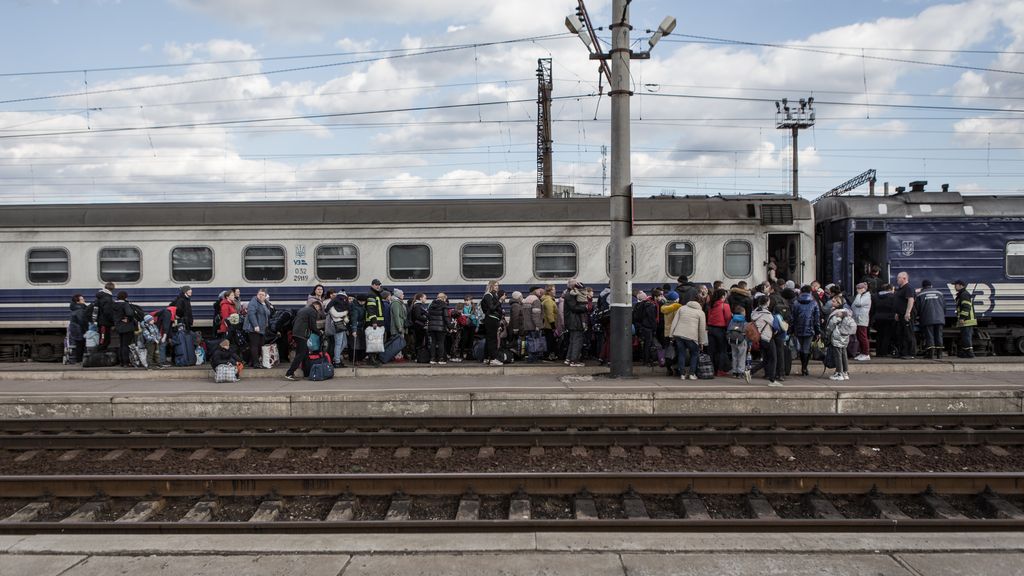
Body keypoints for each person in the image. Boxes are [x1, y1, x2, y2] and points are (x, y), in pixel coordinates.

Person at [669, 297, 707, 380]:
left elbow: (674, 322)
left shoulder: (682, 308)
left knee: (681, 354)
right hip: (691, 336)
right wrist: (701, 342)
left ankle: (682, 374)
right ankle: (692, 374)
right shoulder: (701, 312)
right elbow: (701, 329)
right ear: (701, 304)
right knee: (694, 354)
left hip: (679, 334)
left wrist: (671, 335)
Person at [284, 299, 321, 381]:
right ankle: (289, 373)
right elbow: (312, 325)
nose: (319, 310)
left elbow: (293, 321)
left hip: (296, 333)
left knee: (305, 354)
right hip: (302, 334)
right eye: (319, 308)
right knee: (300, 354)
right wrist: (319, 333)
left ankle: (307, 373)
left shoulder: (303, 310)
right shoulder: (312, 311)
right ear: (316, 306)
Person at [790, 285, 821, 376]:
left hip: (798, 328)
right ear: (810, 292)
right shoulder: (814, 303)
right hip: (810, 328)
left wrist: (792, 330)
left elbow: (793, 318)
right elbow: (817, 319)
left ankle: (803, 366)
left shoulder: (796, 302)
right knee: (806, 348)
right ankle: (804, 367)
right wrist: (818, 331)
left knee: (800, 347)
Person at [825, 296, 857, 381]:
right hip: (844, 336)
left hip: (836, 336)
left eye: (834, 301)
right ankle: (845, 372)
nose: (832, 303)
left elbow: (831, 325)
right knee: (843, 354)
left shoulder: (837, 313)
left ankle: (839, 373)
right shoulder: (846, 312)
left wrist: (827, 334)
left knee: (837, 355)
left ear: (838, 303)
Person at [751, 296, 779, 386]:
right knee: (773, 359)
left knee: (766, 360)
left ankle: (750, 372)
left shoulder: (755, 312)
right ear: (767, 303)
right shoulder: (767, 314)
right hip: (767, 338)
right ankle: (772, 380)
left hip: (759, 338)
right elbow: (775, 326)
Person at [916, 279, 946, 359]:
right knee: (939, 335)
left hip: (927, 318)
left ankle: (930, 354)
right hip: (939, 318)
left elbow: (917, 308)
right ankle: (939, 354)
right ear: (931, 285)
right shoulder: (940, 293)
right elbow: (944, 307)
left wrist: (918, 317)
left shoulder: (920, 295)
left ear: (923, 286)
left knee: (929, 336)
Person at [705, 289, 732, 377]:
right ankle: (721, 370)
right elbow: (728, 318)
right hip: (721, 329)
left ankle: (711, 369)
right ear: (723, 296)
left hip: (710, 329)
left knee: (711, 350)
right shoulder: (725, 305)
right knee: (722, 350)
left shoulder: (711, 305)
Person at [563, 280, 588, 367]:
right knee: (577, 341)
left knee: (573, 341)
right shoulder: (571, 295)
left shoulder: (568, 294)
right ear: (573, 286)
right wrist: (585, 308)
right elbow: (574, 307)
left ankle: (569, 359)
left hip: (572, 321)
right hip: (575, 321)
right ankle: (574, 361)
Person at [243, 288, 270, 368]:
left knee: (260, 344)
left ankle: (251, 362)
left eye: (263, 295)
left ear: (265, 296)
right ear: (257, 294)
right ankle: (256, 363)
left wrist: (265, 304)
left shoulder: (264, 303)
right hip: (253, 328)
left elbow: (268, 313)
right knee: (254, 345)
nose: (261, 296)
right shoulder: (253, 302)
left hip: (262, 328)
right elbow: (251, 314)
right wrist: (255, 325)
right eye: (259, 294)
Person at [111, 291, 138, 368]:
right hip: (126, 327)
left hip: (118, 327)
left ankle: (122, 362)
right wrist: (128, 319)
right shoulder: (125, 304)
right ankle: (126, 362)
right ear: (125, 297)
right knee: (126, 345)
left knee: (121, 344)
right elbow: (130, 313)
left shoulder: (114, 304)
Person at [894, 272, 917, 359]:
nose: (897, 279)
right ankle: (903, 352)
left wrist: (908, 312)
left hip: (906, 314)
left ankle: (911, 353)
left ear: (904, 278)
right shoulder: (900, 289)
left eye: (898, 278)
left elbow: (911, 300)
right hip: (901, 314)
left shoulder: (908, 288)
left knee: (908, 333)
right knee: (901, 333)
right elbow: (899, 301)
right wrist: (897, 313)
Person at [481, 281, 503, 366]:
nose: (497, 287)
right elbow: (492, 308)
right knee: (492, 339)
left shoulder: (491, 295)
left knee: (489, 339)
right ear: (491, 286)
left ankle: (487, 357)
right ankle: (493, 359)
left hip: (491, 319)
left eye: (498, 285)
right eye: (495, 285)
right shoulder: (488, 295)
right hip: (491, 319)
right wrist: (500, 301)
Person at [364, 279, 386, 366]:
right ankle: (371, 359)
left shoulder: (376, 294)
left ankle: (373, 359)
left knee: (376, 341)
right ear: (372, 285)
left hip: (378, 321)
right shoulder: (371, 295)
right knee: (373, 341)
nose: (378, 286)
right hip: (373, 322)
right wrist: (374, 321)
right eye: (376, 285)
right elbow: (371, 308)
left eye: (379, 285)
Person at [325, 291, 350, 368]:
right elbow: (335, 314)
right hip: (337, 326)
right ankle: (337, 361)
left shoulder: (338, 304)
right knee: (338, 344)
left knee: (344, 343)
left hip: (342, 325)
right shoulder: (330, 304)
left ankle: (336, 357)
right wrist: (345, 312)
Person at [726, 305, 750, 382]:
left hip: (732, 339)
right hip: (742, 340)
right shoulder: (744, 321)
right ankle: (740, 372)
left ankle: (734, 371)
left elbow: (728, 329)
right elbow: (747, 331)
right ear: (742, 313)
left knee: (734, 355)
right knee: (741, 356)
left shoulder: (732, 320)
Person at [660, 292, 682, 376]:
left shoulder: (664, 307)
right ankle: (677, 369)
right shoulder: (677, 307)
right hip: (675, 332)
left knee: (668, 351)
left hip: (666, 332)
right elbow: (677, 321)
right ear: (675, 299)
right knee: (677, 351)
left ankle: (668, 369)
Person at [953, 280, 977, 358]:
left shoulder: (964, 294)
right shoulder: (962, 294)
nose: (955, 287)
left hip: (967, 320)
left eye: (956, 285)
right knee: (964, 336)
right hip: (966, 319)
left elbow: (966, 307)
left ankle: (969, 353)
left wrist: (962, 318)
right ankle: (965, 352)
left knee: (966, 336)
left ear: (961, 285)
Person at [91, 282, 116, 352]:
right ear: (112, 289)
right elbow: (108, 312)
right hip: (105, 322)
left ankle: (101, 354)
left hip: (101, 322)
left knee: (104, 339)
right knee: (103, 340)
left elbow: (95, 310)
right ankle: (99, 355)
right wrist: (113, 321)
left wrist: (94, 320)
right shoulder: (107, 299)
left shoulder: (100, 297)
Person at [873, 284, 897, 358]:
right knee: (886, 335)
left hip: (878, 318)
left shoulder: (875, 296)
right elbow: (895, 307)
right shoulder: (892, 296)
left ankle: (878, 352)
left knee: (879, 335)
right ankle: (884, 352)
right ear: (889, 289)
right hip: (889, 318)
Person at [427, 293, 450, 364]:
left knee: (433, 342)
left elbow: (428, 315)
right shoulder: (444, 305)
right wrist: (450, 326)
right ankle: (440, 359)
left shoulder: (431, 305)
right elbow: (446, 317)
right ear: (443, 298)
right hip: (441, 327)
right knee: (441, 342)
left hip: (431, 327)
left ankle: (432, 359)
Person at [851, 282, 872, 361]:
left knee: (863, 337)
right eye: (857, 288)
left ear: (864, 289)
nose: (857, 290)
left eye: (859, 288)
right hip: (858, 319)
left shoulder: (866, 296)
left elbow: (858, 303)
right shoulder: (862, 296)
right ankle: (862, 353)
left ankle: (866, 354)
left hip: (862, 319)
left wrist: (858, 294)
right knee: (859, 337)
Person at [68, 294, 89, 363]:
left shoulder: (75, 308)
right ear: (78, 301)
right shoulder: (80, 309)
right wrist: (86, 329)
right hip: (80, 329)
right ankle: (80, 360)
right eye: (82, 299)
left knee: (79, 345)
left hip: (76, 329)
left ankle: (79, 360)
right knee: (81, 345)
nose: (84, 300)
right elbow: (82, 321)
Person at [541, 287, 558, 360]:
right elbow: (549, 314)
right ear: (549, 291)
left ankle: (548, 355)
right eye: (554, 290)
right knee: (550, 341)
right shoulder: (549, 301)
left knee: (549, 340)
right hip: (549, 325)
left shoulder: (548, 300)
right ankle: (548, 355)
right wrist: (553, 325)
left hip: (547, 324)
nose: (555, 291)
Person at [410, 293, 429, 358]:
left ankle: (417, 355)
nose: (426, 299)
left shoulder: (417, 305)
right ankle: (418, 356)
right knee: (419, 341)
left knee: (419, 341)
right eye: (425, 298)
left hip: (418, 326)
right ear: (420, 298)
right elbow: (418, 316)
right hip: (419, 326)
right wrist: (426, 318)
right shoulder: (417, 306)